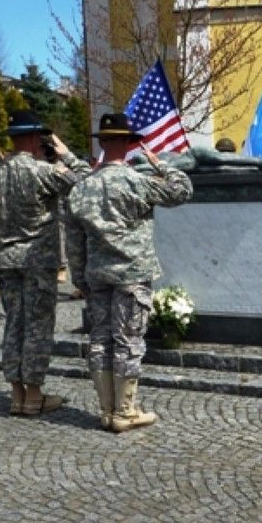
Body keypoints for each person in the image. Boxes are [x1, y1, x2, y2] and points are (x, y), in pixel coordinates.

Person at [66, 112, 193, 432]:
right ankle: (125, 411)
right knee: (128, 341)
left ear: (103, 143)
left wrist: (80, 277)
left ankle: (107, 410)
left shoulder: (82, 187)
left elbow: (74, 239)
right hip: (132, 274)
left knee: (100, 339)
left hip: (97, 273)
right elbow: (182, 190)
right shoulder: (138, 181)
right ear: (127, 142)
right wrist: (160, 164)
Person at [0, 110, 91, 417]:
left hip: (5, 262)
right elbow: (89, 185)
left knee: (14, 325)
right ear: (33, 137)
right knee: (37, 326)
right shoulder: (43, 172)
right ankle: (34, 395)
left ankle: (16, 394)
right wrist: (67, 155)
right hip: (38, 260)